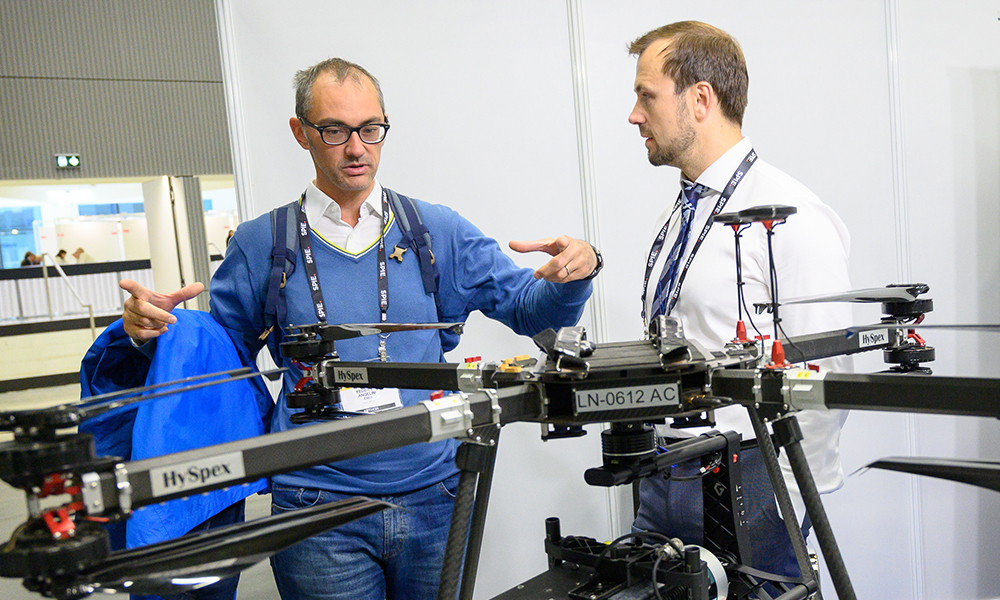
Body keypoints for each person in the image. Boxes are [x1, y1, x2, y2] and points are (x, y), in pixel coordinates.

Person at [118, 57, 601, 600]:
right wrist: (156, 332)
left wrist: (573, 276)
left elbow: (530, 309)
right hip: (316, 506)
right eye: (335, 130)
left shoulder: (433, 230)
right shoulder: (263, 242)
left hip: (436, 494)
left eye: (371, 130)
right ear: (301, 133)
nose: (356, 149)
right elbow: (219, 356)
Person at [626, 22, 853, 581]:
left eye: (645, 96)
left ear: (700, 99)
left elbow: (828, 374)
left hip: (754, 487)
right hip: (664, 476)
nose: (634, 115)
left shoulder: (791, 216)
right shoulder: (674, 218)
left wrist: (784, 500)